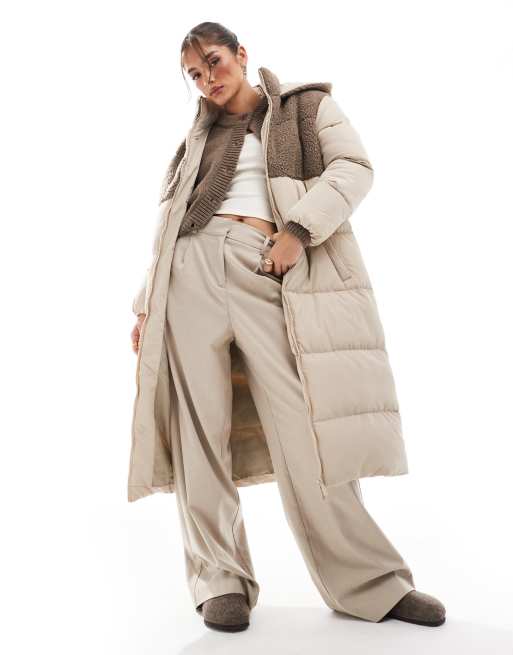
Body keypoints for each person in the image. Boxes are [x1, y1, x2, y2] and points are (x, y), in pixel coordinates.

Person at [129, 21, 446, 633]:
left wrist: (297, 231)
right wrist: (147, 305)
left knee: (307, 428)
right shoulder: (195, 139)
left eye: (214, 62)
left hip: (265, 267)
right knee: (199, 433)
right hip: (187, 277)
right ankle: (220, 581)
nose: (207, 79)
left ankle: (370, 583)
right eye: (194, 74)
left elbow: (353, 167)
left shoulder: (305, 107)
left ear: (241, 54)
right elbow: (171, 224)